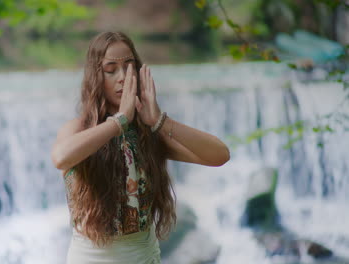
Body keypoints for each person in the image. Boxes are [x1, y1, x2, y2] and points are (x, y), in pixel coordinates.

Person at [51, 31, 230, 264]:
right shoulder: (78, 130)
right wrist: (118, 122)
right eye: (110, 69)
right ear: (96, 76)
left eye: (129, 66)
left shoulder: (148, 133)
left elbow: (219, 155)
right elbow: (60, 158)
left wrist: (160, 121)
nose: (123, 77)